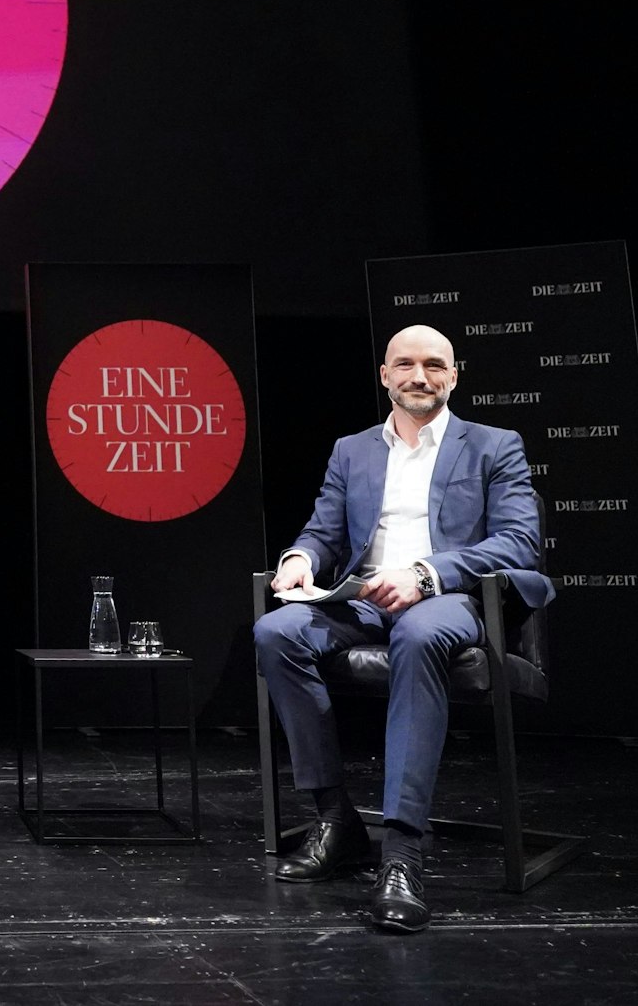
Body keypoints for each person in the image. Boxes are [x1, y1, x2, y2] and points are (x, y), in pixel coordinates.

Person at [252, 324, 553, 933]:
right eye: (407, 365)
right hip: (363, 597)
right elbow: (324, 531)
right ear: (385, 375)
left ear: (454, 375)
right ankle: (337, 821)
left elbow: (520, 540)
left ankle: (404, 852)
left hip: (451, 598)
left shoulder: (495, 445)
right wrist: (300, 558)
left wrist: (425, 573)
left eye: (435, 365)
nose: (421, 376)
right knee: (276, 632)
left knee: (418, 634)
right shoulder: (352, 449)